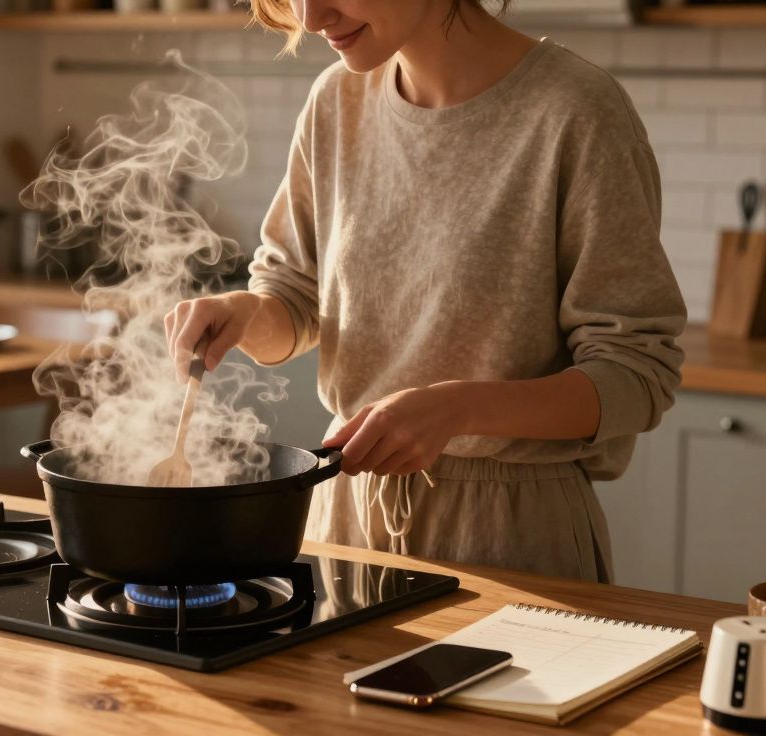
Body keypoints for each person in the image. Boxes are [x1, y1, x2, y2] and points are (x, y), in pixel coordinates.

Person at [163, 0, 686, 582]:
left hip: (509, 539)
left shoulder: (576, 111)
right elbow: (295, 296)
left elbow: (636, 374)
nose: (310, 18)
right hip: (344, 526)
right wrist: (244, 311)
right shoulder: (336, 101)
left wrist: (458, 410)